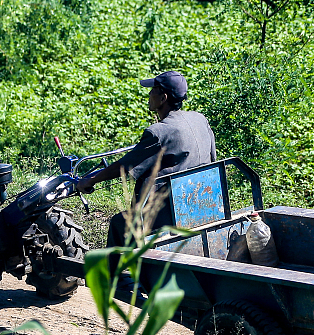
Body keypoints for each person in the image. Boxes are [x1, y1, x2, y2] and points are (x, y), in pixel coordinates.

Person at [78, 70, 217, 247]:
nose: (149, 94)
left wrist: (91, 179)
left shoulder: (159, 132)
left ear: (163, 98)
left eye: (153, 90)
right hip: (205, 203)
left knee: (118, 224)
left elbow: (125, 166)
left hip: (172, 212)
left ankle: (117, 275)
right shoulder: (200, 119)